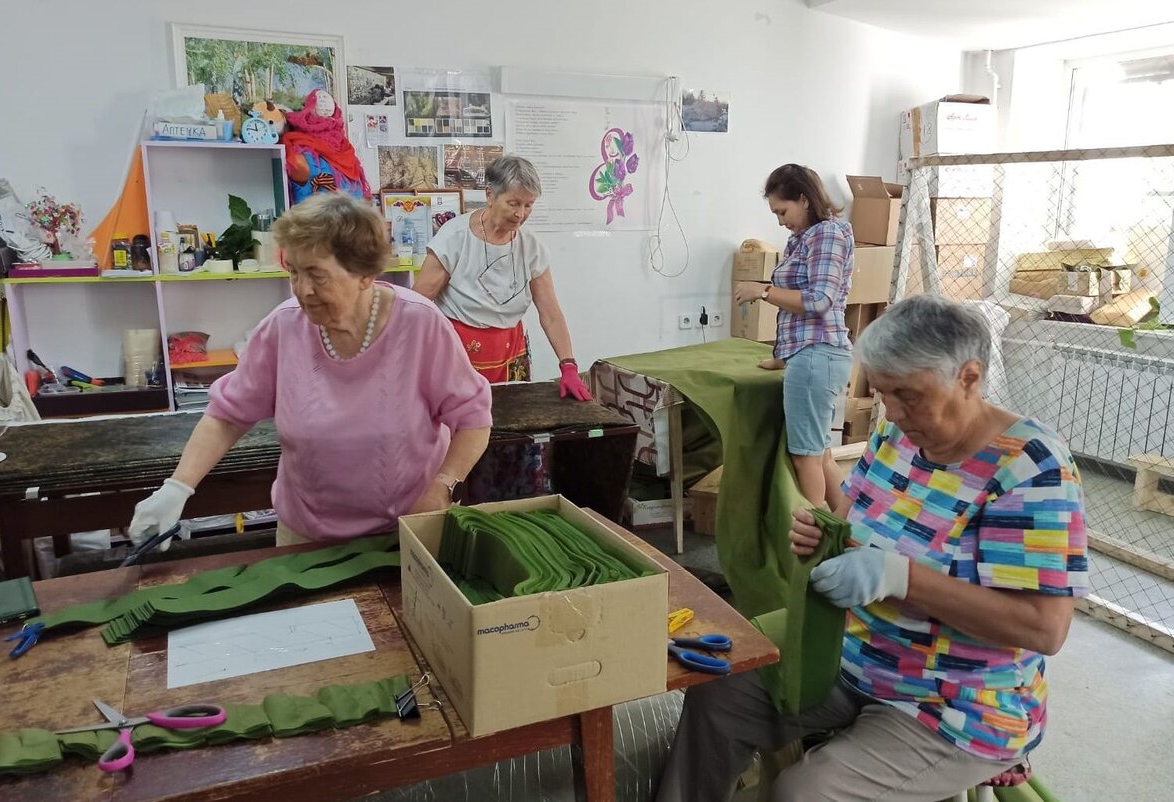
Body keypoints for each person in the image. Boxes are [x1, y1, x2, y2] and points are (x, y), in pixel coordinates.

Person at [657, 295, 1089, 801]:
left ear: (969, 378)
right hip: (854, 654)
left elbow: (1043, 628)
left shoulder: (1030, 470)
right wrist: (826, 537)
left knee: (808, 793)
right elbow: (853, 520)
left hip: (955, 701)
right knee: (719, 690)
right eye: (884, 394)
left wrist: (903, 577)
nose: (894, 412)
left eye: (909, 395)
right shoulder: (899, 436)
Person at [128, 193, 492, 548]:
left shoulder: (419, 325)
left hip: (407, 530)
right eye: (294, 273)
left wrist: (442, 486)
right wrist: (176, 488)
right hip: (305, 536)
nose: (302, 290)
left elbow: (473, 419)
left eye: (317, 275)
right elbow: (227, 415)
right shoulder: (283, 328)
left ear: (364, 273)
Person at [413, 154, 592, 400]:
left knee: (512, 424)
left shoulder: (530, 247)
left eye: (528, 205)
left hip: (511, 355)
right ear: (490, 195)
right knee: (464, 431)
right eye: (514, 203)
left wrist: (568, 365)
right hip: (459, 354)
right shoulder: (454, 237)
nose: (521, 214)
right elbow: (418, 303)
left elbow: (550, 313)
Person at [733, 164, 853, 507]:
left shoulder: (826, 234)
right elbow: (799, 312)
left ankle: (811, 535)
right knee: (821, 454)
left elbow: (819, 300)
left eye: (783, 211)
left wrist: (763, 291)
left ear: (804, 198)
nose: (780, 220)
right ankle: (845, 529)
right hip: (811, 355)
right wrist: (781, 356)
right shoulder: (801, 238)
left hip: (817, 356)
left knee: (805, 457)